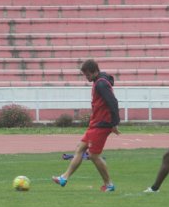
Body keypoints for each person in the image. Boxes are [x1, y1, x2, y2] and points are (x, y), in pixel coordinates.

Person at [52, 59, 121, 192]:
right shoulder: (99, 81)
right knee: (80, 147)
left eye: (88, 75)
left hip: (102, 124)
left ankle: (109, 184)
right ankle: (64, 178)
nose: (87, 78)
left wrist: (114, 123)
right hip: (96, 124)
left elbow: (113, 103)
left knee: (94, 155)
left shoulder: (101, 84)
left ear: (95, 71)